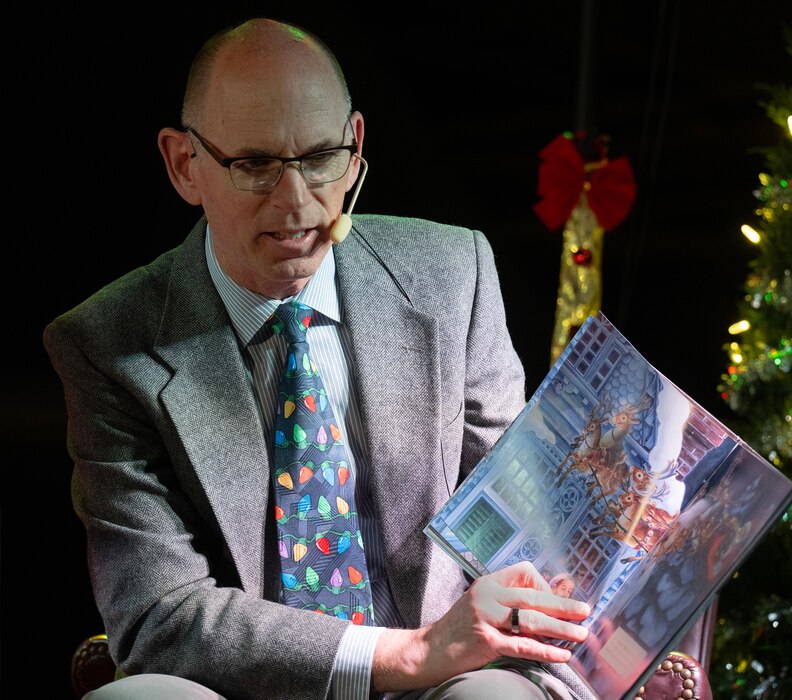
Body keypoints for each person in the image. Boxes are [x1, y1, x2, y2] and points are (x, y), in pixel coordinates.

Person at [43, 16, 592, 700]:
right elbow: (160, 615)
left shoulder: (453, 274)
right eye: (256, 165)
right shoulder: (106, 345)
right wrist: (406, 653)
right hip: (254, 685)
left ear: (356, 148)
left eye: (319, 159)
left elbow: (519, 515)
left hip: (452, 680)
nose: (298, 203)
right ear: (185, 164)